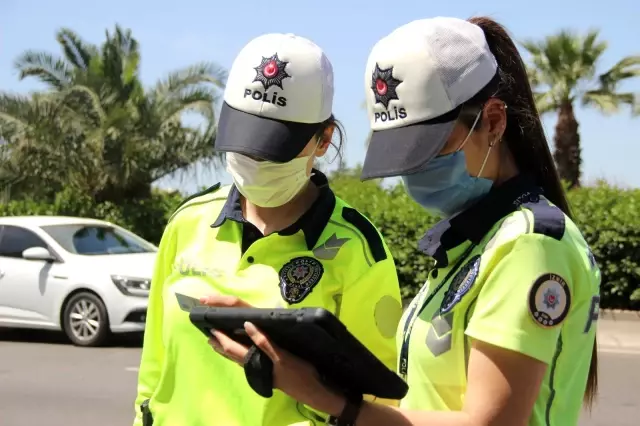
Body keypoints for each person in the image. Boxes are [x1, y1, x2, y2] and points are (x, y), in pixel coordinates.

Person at [209, 16, 602, 426]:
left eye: (431, 149)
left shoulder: (528, 245)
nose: (415, 172)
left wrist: (325, 397)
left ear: (494, 121)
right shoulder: (476, 244)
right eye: (406, 156)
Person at [132, 32, 403, 426]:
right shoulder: (187, 222)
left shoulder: (358, 251)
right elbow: (152, 370)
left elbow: (375, 404)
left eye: (274, 145)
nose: (255, 159)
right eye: (244, 140)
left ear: (323, 140)